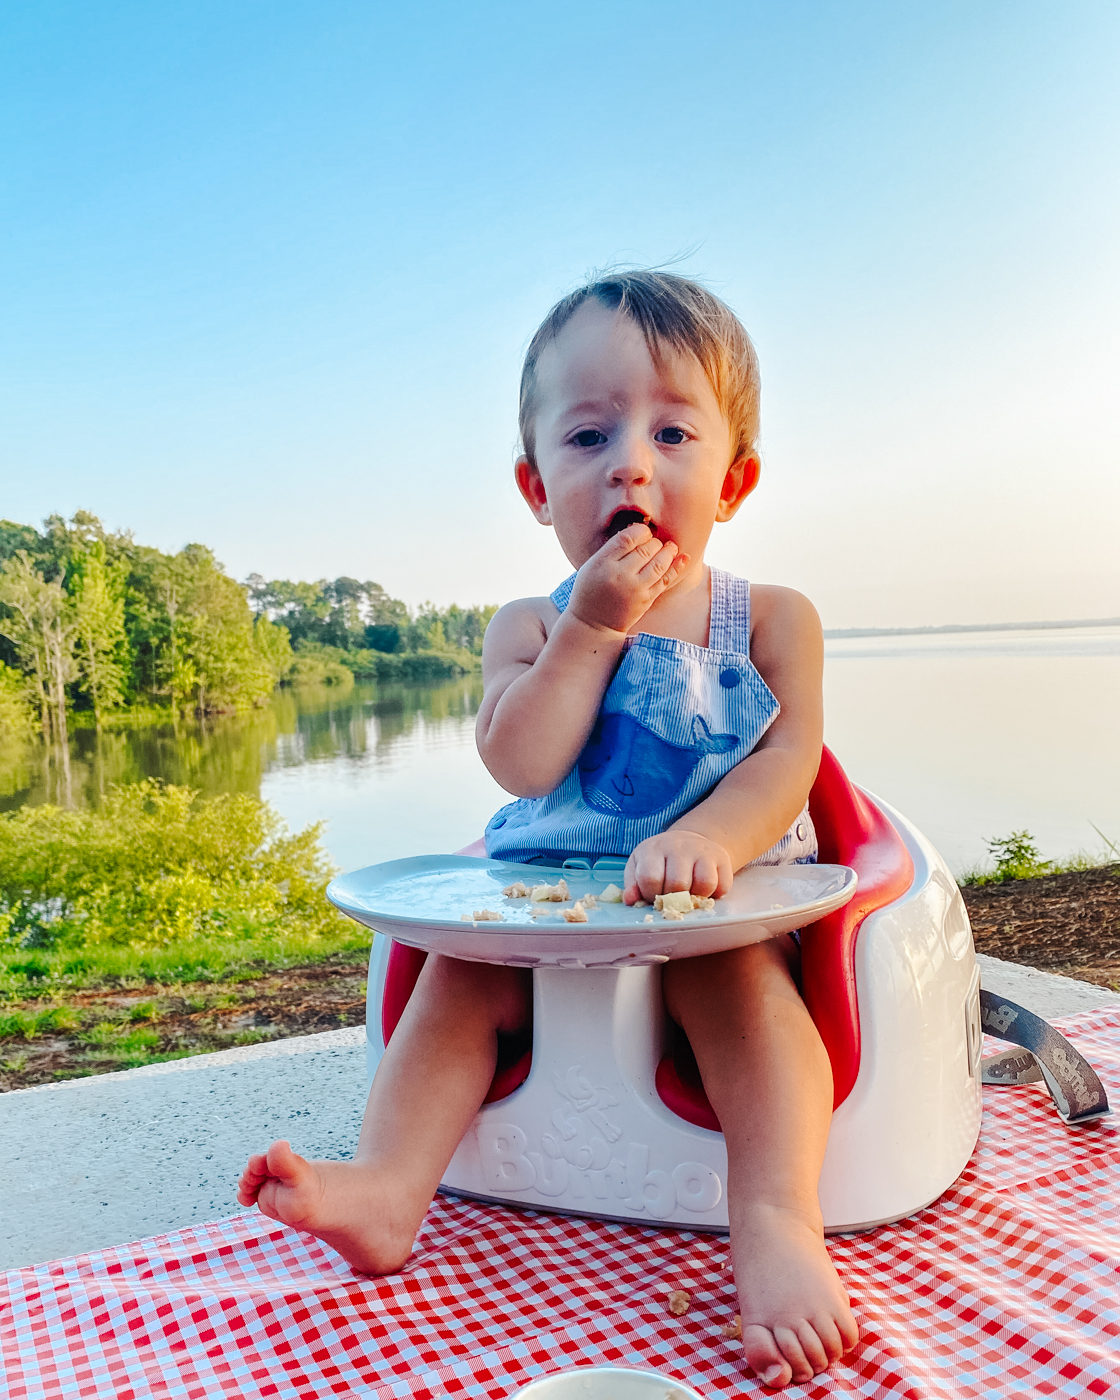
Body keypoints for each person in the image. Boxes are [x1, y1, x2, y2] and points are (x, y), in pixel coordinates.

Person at [238, 270, 859, 1389]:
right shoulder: (527, 624)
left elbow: (790, 758)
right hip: (546, 905)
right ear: (535, 483)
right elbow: (520, 760)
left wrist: (713, 837)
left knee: (752, 1008)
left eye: (672, 429)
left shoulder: (769, 617)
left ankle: (773, 1217)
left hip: (711, 904)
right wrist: (589, 629)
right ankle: (388, 1187)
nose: (631, 459)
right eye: (588, 433)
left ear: (734, 477)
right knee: (453, 983)